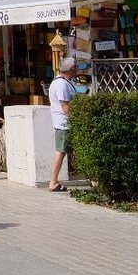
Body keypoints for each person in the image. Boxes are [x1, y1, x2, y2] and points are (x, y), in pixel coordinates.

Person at [47, 58, 77, 191]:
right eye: (75, 68)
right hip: (64, 124)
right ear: (71, 70)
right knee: (61, 151)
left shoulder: (64, 82)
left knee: (63, 151)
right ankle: (53, 182)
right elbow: (65, 105)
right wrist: (77, 119)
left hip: (65, 123)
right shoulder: (61, 84)